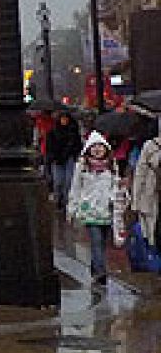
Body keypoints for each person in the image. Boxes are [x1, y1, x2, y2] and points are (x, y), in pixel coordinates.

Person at [67, 132, 126, 289]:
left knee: (102, 243)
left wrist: (119, 194)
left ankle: (96, 268)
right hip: (90, 211)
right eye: (94, 147)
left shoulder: (112, 166)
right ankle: (101, 273)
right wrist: (72, 208)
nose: (97, 149)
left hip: (106, 210)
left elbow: (116, 186)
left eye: (100, 146)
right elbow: (75, 188)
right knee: (96, 241)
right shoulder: (82, 167)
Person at [45, 112, 82, 211]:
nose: (64, 121)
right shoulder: (52, 133)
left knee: (68, 181)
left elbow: (78, 146)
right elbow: (49, 147)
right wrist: (52, 157)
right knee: (58, 181)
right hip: (57, 159)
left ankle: (66, 202)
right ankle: (58, 199)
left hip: (69, 158)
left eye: (66, 118)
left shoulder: (73, 132)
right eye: (62, 118)